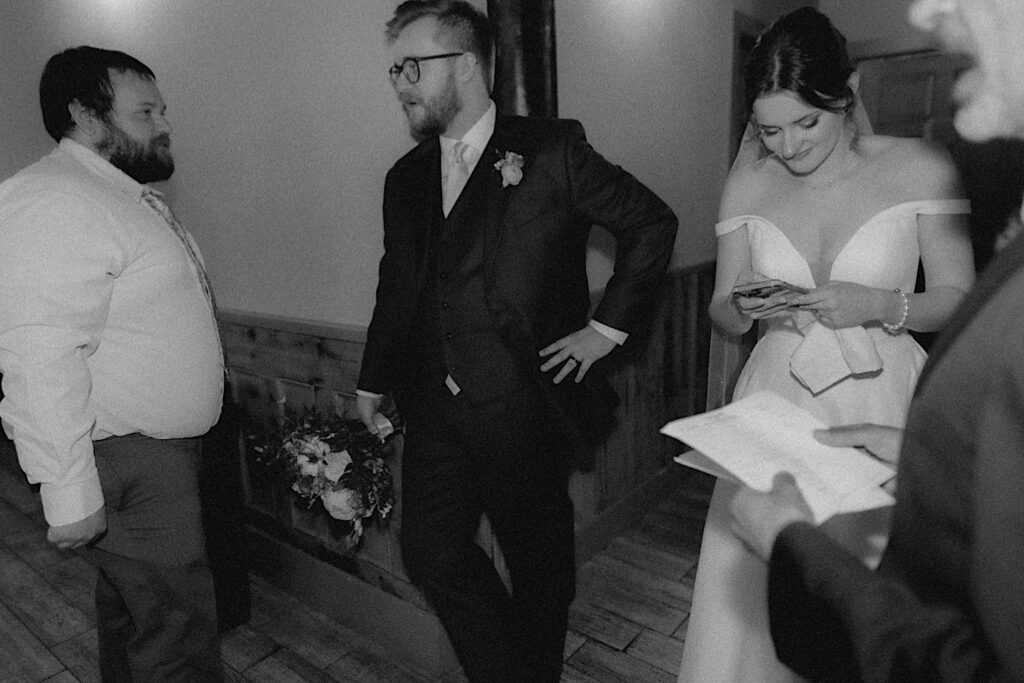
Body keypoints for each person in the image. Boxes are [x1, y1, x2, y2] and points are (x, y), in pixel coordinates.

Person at [355, 2, 677, 680]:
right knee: (431, 552)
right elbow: (398, 286)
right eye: (395, 68)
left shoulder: (552, 150)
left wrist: (604, 328)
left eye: (413, 66)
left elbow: (650, 223)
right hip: (436, 413)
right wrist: (370, 378)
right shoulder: (403, 179)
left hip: (526, 407)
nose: (401, 82)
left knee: (540, 572)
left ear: (467, 65)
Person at [728, 0, 1024, 679]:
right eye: (771, 128)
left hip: (884, 386)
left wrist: (882, 303)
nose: (929, 9)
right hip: (788, 396)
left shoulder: (922, 168)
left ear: (846, 97)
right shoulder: (750, 181)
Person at [0, 47, 224, 680]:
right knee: (177, 636)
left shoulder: (115, 195)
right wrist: (68, 490)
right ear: (85, 114)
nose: (162, 124)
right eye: (144, 111)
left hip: (154, 459)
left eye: (161, 109)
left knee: (139, 621)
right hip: (132, 461)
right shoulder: (52, 197)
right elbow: (38, 348)